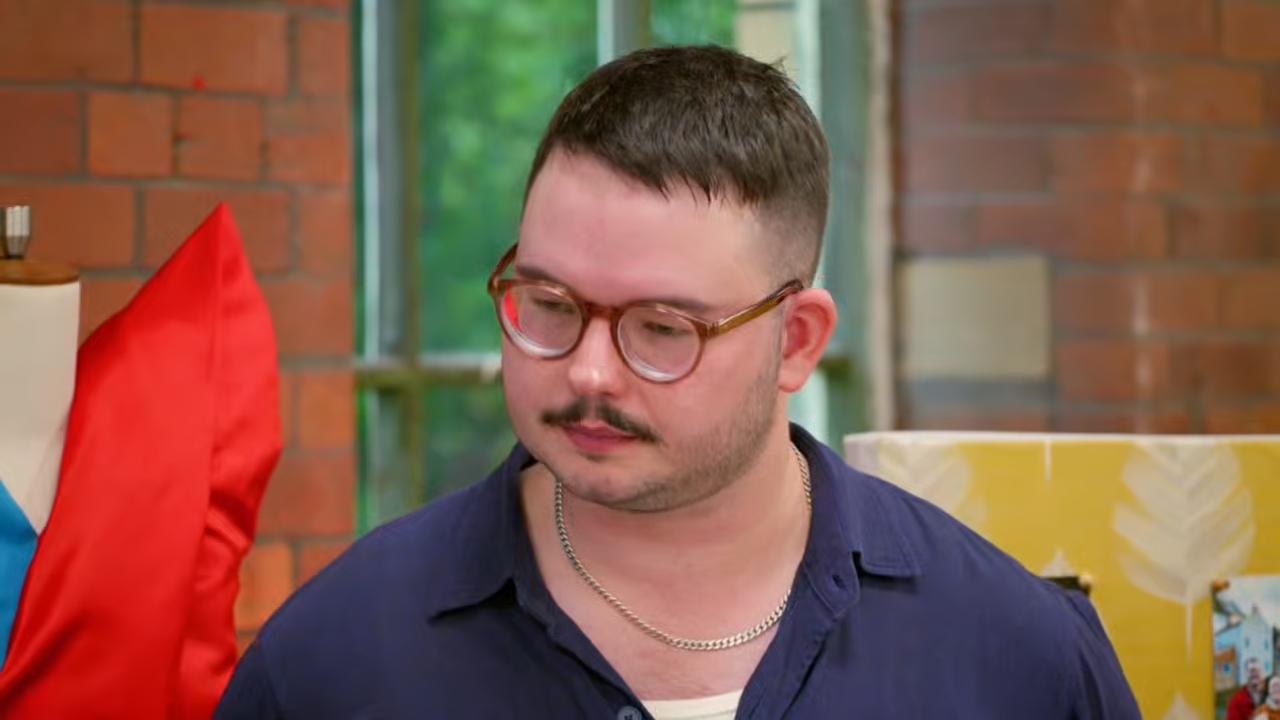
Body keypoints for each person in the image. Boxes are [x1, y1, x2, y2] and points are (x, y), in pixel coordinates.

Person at [214, 44, 1140, 719]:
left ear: (796, 342)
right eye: (549, 304)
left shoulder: (1017, 657)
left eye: (662, 329)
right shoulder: (334, 659)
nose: (587, 371)